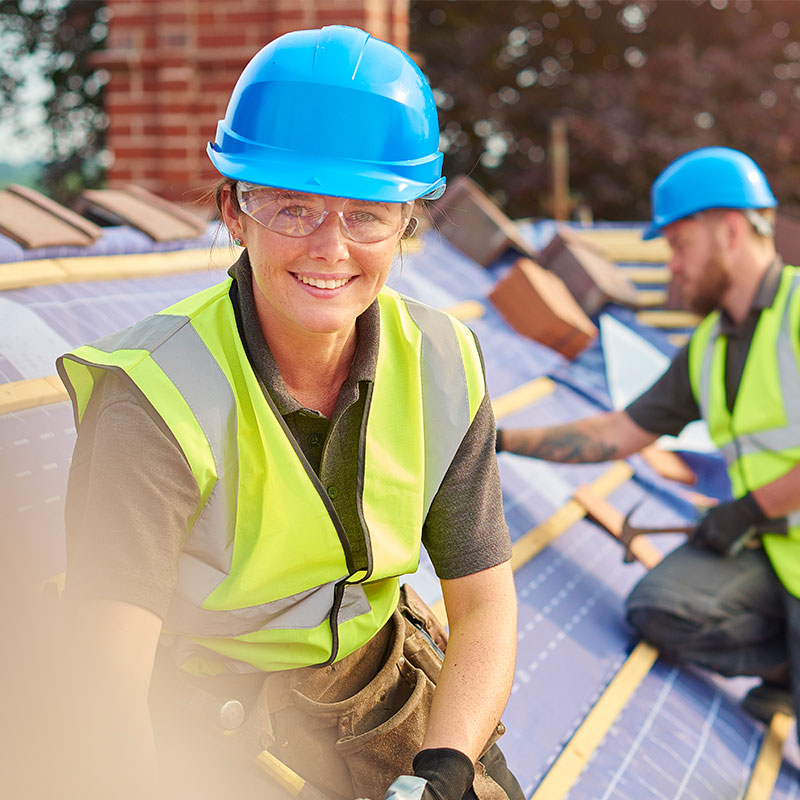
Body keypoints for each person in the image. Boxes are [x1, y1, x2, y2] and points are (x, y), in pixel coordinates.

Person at [56, 25, 522, 800]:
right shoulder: (154, 397)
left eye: (367, 213)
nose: (329, 249)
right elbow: (108, 686)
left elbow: (484, 606)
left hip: (380, 688)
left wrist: (446, 767)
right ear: (236, 212)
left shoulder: (443, 362)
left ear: (406, 223)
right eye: (292, 208)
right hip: (218, 726)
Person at [496, 147, 800, 735]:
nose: (674, 268)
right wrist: (502, 437)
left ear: (730, 230)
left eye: (679, 246)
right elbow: (616, 432)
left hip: (770, 532)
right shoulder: (711, 345)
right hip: (777, 553)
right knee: (658, 606)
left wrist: (750, 509)